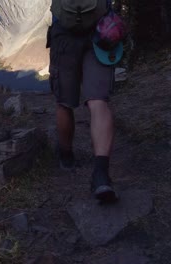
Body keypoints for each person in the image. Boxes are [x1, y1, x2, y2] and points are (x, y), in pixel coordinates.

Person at [47, 1, 126, 203]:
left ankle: (66, 156)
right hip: (101, 33)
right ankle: (100, 175)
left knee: (64, 102)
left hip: (63, 34)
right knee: (98, 101)